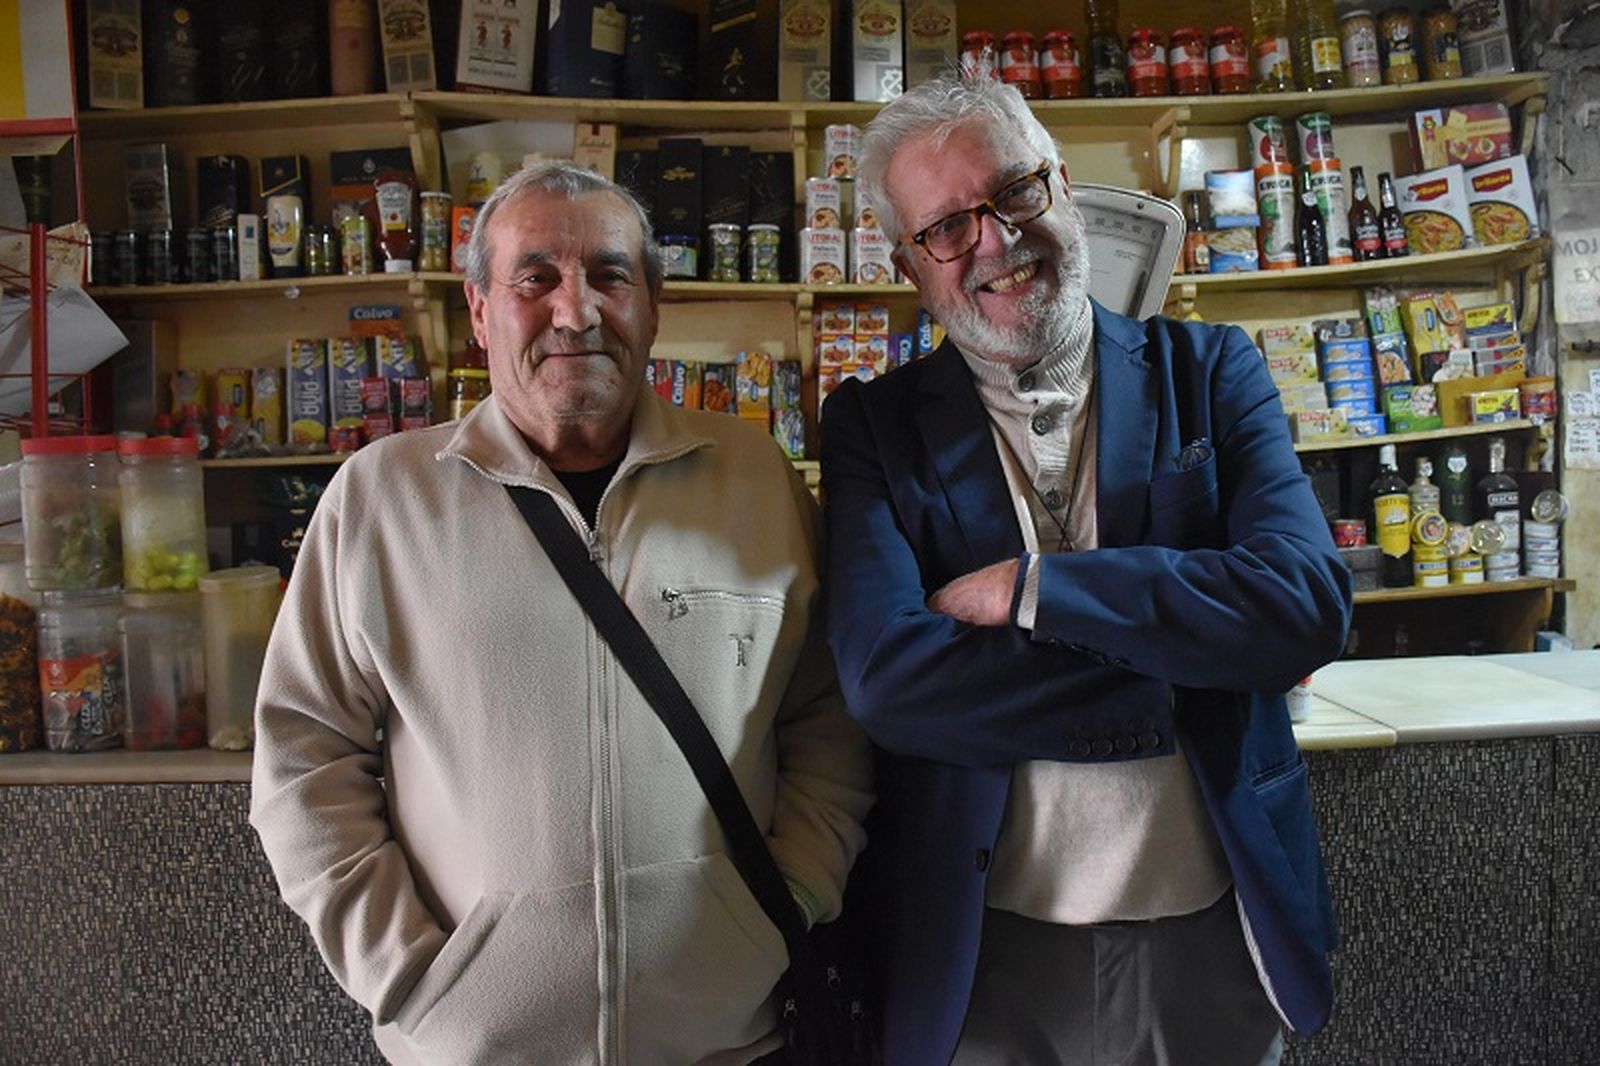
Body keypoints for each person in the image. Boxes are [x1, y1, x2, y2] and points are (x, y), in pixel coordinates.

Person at [250, 160, 873, 1066]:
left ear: (653, 303)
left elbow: (827, 717)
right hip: (472, 1048)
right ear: (479, 310)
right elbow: (303, 757)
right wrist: (411, 975)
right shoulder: (381, 500)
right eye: (535, 278)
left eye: (610, 276)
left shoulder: (757, 479)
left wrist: (787, 904)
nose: (574, 312)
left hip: (727, 1040)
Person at [820, 74, 1353, 1066]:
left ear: (1062, 186)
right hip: (981, 954)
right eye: (946, 226)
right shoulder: (873, 428)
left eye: (1014, 191)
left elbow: (1308, 606)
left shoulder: (1211, 370)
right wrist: (1194, 663)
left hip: (1214, 935)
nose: (995, 240)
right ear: (910, 263)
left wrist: (1038, 589)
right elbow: (889, 681)